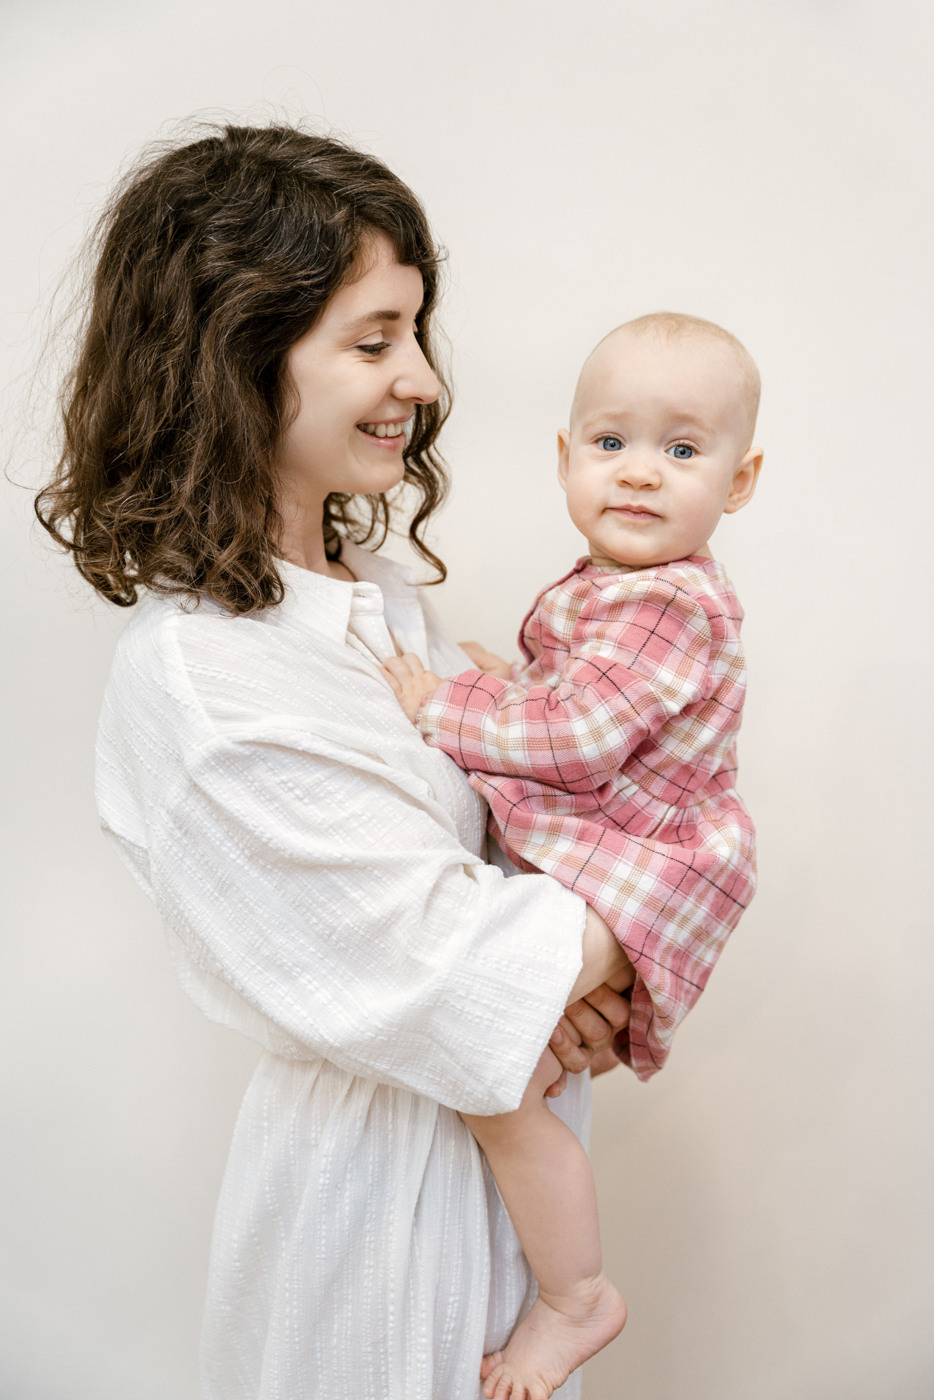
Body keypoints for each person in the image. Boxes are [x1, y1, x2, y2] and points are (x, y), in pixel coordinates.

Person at [34, 122, 637, 1400]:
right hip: (372, 1231)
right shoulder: (205, 679)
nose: (419, 378)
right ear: (236, 357)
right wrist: (656, 913)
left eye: (415, 331)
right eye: (373, 341)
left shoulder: (376, 598)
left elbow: (505, 886)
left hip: (497, 1189)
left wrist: (555, 968)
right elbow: (445, 968)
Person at [382, 312, 762, 1400]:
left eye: (681, 449)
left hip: (642, 865)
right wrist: (516, 683)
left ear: (738, 482)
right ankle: (557, 1282)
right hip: (619, 865)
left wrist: (447, 703)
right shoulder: (620, 587)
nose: (639, 471)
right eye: (610, 441)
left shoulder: (662, 600)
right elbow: (592, 703)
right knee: (505, 1077)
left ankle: (575, 1294)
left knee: (496, 1083)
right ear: (565, 458)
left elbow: (583, 737)